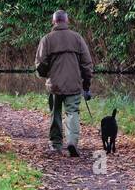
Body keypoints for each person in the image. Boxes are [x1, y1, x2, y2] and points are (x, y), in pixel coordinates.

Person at [34, 10, 94, 157]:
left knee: (55, 113)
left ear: (53, 22)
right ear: (67, 21)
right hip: (73, 85)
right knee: (72, 112)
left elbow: (40, 64)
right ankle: (72, 141)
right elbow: (87, 64)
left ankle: (56, 144)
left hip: (54, 85)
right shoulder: (77, 38)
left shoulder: (47, 39)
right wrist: (86, 84)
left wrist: (46, 75)